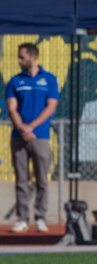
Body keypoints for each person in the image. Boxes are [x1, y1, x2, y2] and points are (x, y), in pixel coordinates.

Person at [5, 43, 59, 235]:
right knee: (21, 180)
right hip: (18, 138)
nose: (19, 61)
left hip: (40, 137)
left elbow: (51, 107)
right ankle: (22, 219)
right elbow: (11, 108)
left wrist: (31, 127)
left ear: (32, 57)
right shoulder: (14, 81)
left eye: (22, 57)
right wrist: (21, 128)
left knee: (42, 181)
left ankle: (41, 218)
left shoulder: (49, 79)